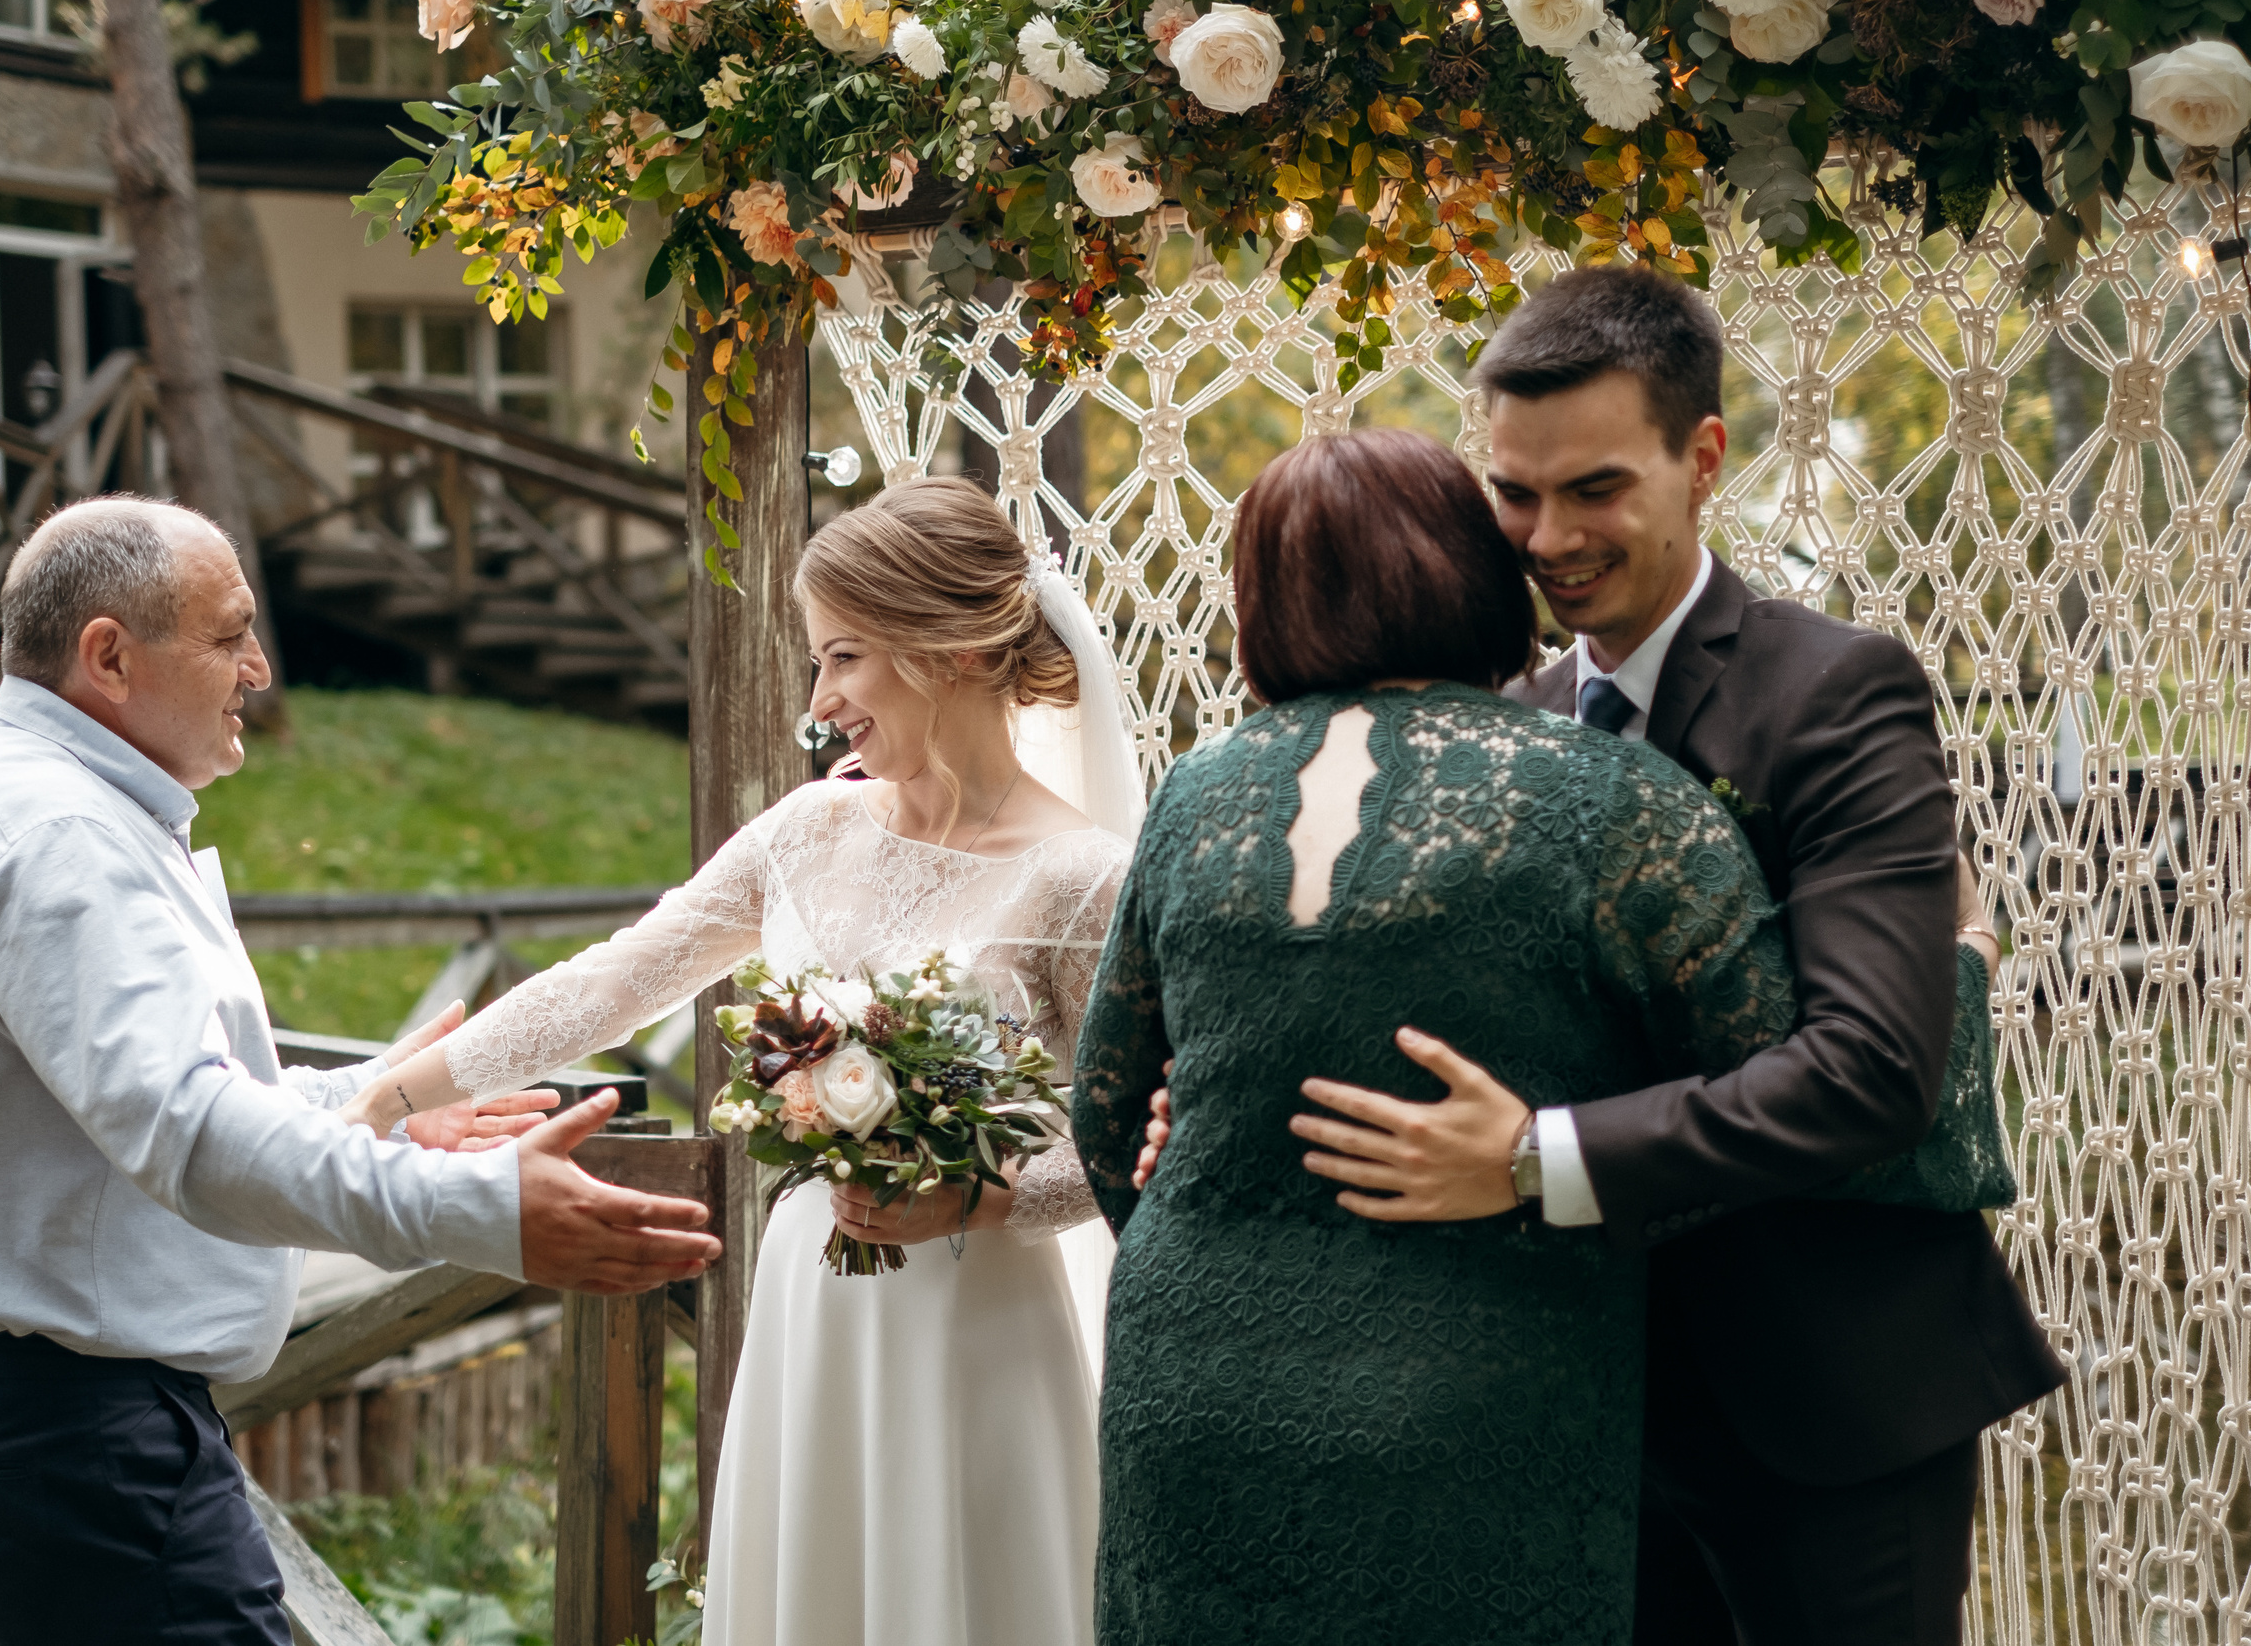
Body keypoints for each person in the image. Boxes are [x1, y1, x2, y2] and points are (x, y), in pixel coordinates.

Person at [1140, 266, 2065, 1644]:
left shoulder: (1835, 692)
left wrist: (1536, 1157)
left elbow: (1874, 1068)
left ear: (1704, 459)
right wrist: (1217, 1118)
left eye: (1596, 489)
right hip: (1549, 1405)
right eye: (1515, 494)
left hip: (1816, 1392)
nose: (1550, 536)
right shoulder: (1490, 710)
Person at [0, 496, 720, 1646]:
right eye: (230, 633)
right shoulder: (61, 839)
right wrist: (476, 1209)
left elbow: (117, 1104)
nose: (257, 667)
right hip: (72, 1445)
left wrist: (372, 1112)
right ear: (108, 655)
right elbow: (186, 1126)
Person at [342, 477, 1142, 1646]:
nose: (821, 703)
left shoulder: (1084, 875)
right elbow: (615, 978)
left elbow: (1135, 1143)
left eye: (845, 659)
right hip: (813, 1302)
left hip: (979, 1323)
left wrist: (982, 1194)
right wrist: (387, 1096)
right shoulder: (811, 829)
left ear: (953, 649)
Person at [1070, 424, 1798, 1642]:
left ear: (1260, 605)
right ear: (1476, 569)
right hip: (1480, 1382)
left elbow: (1107, 1116)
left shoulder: (1193, 794)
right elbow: (1772, 1090)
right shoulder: (1610, 797)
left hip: (1187, 1379)